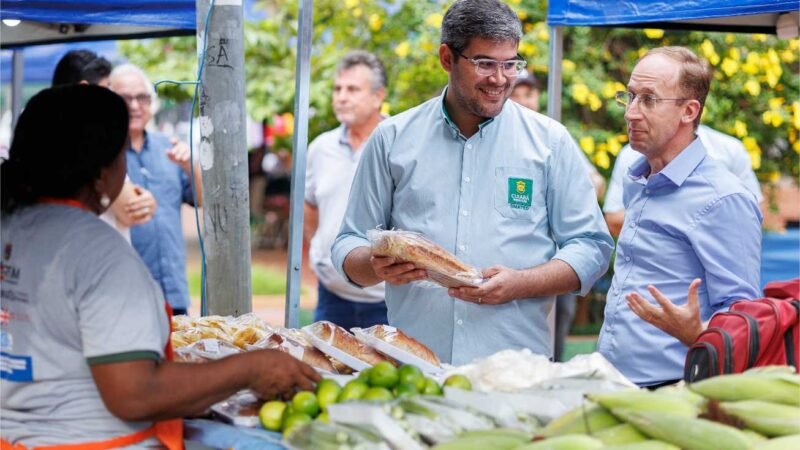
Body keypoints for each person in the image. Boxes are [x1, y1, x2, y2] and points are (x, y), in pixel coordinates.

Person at [0, 85, 319, 448]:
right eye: (122, 154)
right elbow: (134, 393)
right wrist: (250, 368)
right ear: (103, 171)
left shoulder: (11, 227)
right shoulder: (97, 252)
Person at [331, 0, 614, 365]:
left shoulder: (550, 142)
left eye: (510, 64)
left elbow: (591, 247)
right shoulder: (392, 139)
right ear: (447, 58)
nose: (500, 78)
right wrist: (373, 264)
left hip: (514, 369)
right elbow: (347, 243)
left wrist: (522, 283)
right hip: (414, 367)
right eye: (484, 64)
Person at [597, 46, 762, 387]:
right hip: (614, 379)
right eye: (629, 97)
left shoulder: (723, 198)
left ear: (689, 110)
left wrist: (697, 333)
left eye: (648, 99)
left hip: (676, 387)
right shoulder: (639, 178)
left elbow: (742, 318)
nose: (631, 113)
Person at [512, 70, 607, 361]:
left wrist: (560, 195)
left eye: (528, 94)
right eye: (516, 95)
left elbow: (597, 182)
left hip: (555, 266)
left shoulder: (550, 136)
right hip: (508, 267)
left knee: (550, 348)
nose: (523, 101)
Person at [305, 51, 389, 330]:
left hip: (389, 299)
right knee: (322, 372)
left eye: (352, 89)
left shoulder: (399, 143)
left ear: (378, 96)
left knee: (387, 374)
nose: (341, 97)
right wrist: (319, 257)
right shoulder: (320, 148)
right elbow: (311, 209)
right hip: (332, 296)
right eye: (338, 89)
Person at [110, 64, 201, 316]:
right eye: (124, 98)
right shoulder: (104, 154)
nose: (134, 106)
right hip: (125, 291)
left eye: (142, 97)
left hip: (173, 289)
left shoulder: (169, 146)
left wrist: (190, 166)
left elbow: (200, 200)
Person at [52, 49, 157, 243]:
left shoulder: (40, 134)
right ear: (85, 90)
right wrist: (146, 202)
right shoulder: (93, 140)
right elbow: (131, 210)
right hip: (97, 260)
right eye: (107, 88)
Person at [604, 125, 762, 237]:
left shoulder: (729, 149)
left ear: (690, 109)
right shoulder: (631, 155)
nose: (632, 112)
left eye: (651, 100)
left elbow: (752, 215)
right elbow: (614, 219)